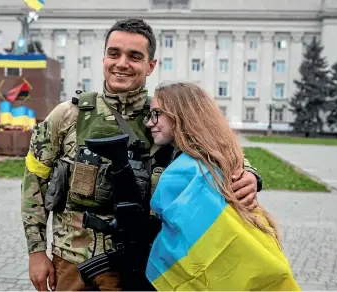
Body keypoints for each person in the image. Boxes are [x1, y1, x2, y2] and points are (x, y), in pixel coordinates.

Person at [21, 18, 262, 291]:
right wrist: (36, 251)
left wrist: (250, 175)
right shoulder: (67, 115)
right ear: (104, 58)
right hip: (72, 262)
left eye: (134, 56)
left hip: (143, 263)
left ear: (151, 66)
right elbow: (33, 183)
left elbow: (218, 147)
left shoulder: (165, 117)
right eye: (114, 53)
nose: (122, 63)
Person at [144, 81, 300, 291]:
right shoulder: (219, 159)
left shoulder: (187, 171)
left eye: (156, 114)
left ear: (181, 114)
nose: (148, 122)